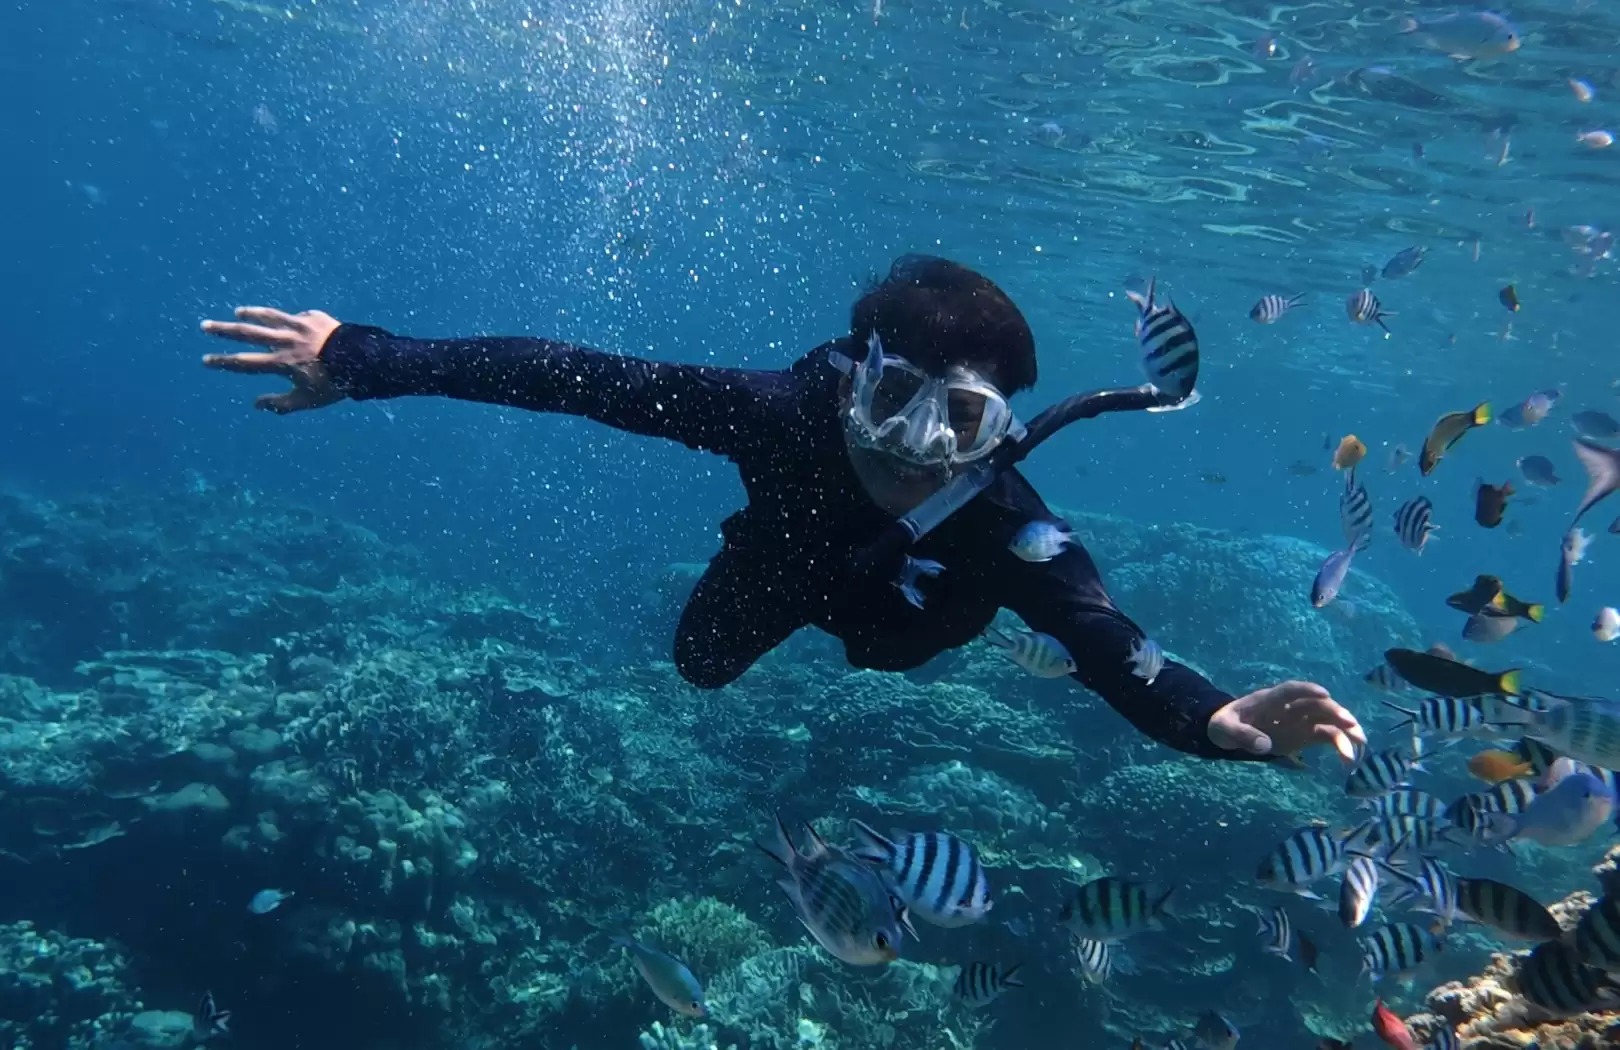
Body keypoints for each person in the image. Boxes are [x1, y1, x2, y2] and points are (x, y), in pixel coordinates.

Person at [201, 255, 1366, 764]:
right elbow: (570, 376)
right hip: (783, 560)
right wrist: (362, 356)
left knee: (898, 647)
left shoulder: (999, 513)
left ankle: (919, 604)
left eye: (961, 420)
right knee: (700, 664)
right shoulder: (780, 414)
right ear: (855, 373)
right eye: (897, 399)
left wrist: (1208, 717)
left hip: (920, 615)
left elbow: (1101, 635)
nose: (921, 445)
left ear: (998, 429)